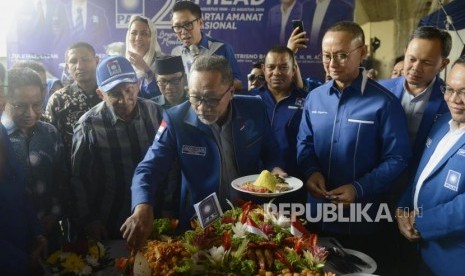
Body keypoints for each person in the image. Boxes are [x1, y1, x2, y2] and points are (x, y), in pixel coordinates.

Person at [121, 55, 286, 249]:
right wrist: (142, 205)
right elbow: (148, 168)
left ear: (231, 91)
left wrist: (276, 169)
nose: (201, 107)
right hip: (200, 223)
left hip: (250, 216)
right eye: (195, 97)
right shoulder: (176, 120)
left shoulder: (254, 109)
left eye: (211, 99)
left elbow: (271, 150)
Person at [296, 21, 411, 275]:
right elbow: (304, 143)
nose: (332, 63)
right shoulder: (314, 98)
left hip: (364, 219)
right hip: (317, 216)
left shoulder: (384, 103)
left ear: (363, 51)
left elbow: (398, 158)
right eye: (326, 56)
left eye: (341, 55)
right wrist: (310, 171)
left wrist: (359, 189)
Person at [71, 56, 163, 240]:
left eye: (129, 90)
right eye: (114, 94)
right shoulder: (88, 125)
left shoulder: (156, 113)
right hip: (110, 221)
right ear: (100, 94)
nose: (124, 99)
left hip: (155, 214)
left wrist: (168, 208)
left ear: (137, 85)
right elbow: (80, 178)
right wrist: (90, 220)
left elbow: (171, 164)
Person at [396, 57, 465, 275]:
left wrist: (421, 223)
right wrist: (402, 208)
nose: (454, 99)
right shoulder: (441, 122)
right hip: (423, 251)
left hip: (454, 261)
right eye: (450, 89)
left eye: (464, 92)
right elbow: (420, 176)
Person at [2, 67, 67, 253]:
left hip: (50, 230)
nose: (30, 113)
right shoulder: (1, 139)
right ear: (5, 100)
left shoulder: (50, 133)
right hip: (10, 238)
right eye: (20, 106)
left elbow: (61, 179)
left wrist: (54, 214)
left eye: (37, 105)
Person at [379, 26, 451, 171]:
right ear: (405, 52)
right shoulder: (380, 90)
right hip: (377, 176)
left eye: (426, 63)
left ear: (443, 64)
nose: (415, 68)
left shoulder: (450, 102)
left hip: (418, 179)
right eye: (411, 59)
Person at [250, 46, 306, 181]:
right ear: (264, 69)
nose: (277, 72)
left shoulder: (307, 101)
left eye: (283, 67)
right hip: (254, 180)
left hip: (294, 181)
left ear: (293, 70)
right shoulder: (250, 100)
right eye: (271, 67)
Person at [170, 1, 243, 92]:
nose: (183, 32)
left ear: (200, 23)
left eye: (188, 25)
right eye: (177, 27)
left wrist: (212, 85)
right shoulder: (176, 52)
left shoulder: (221, 48)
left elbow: (239, 83)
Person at [45, 42, 101, 159]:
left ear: (96, 61)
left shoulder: (110, 94)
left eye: (85, 59)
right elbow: (50, 141)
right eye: (73, 61)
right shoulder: (58, 99)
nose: (80, 66)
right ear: (67, 67)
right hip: (70, 171)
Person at [125, 15, 164, 99]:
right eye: (134, 33)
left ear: (152, 37)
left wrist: (146, 70)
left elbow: (161, 98)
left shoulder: (162, 62)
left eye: (144, 34)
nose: (138, 38)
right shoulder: (124, 63)